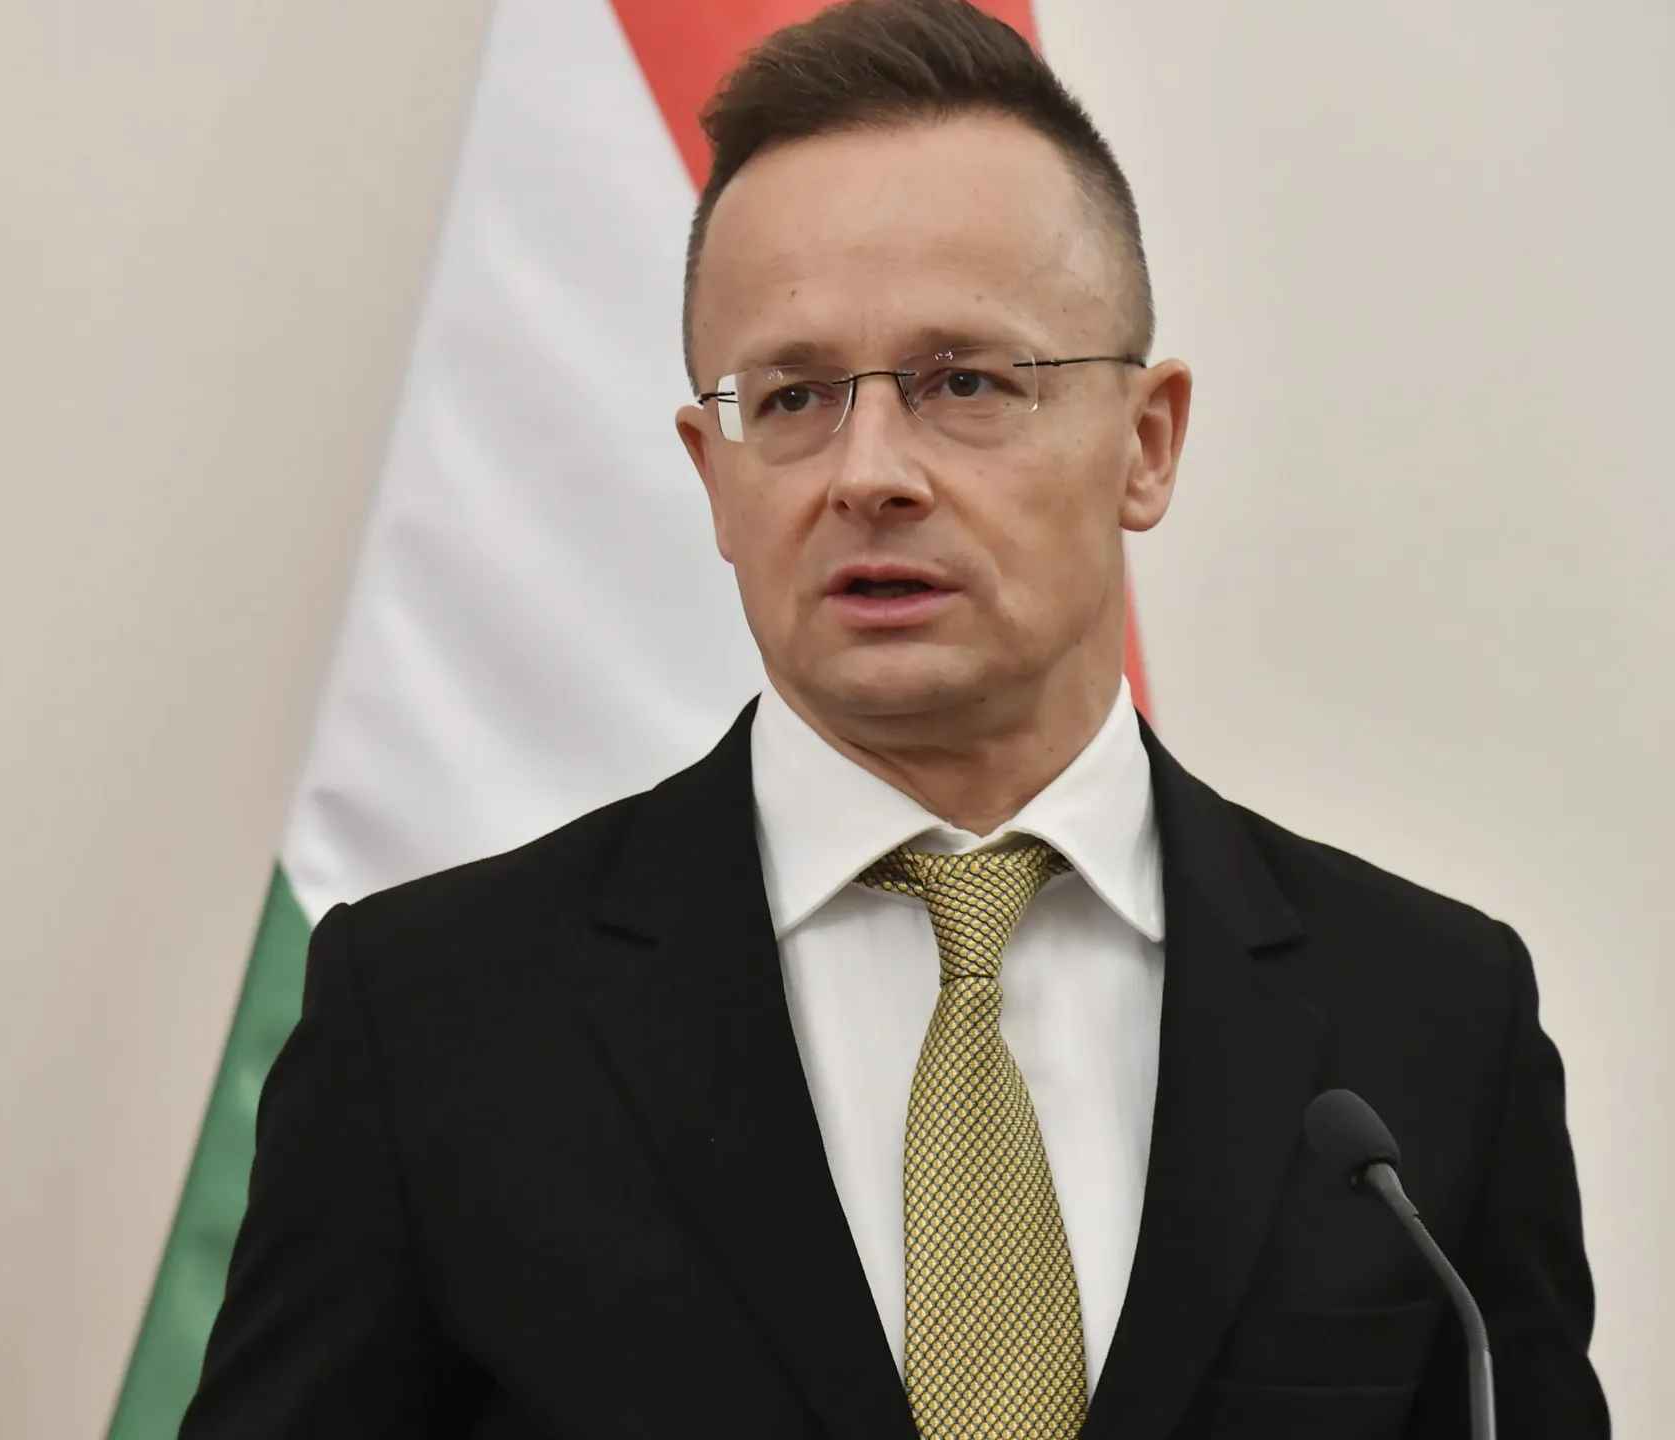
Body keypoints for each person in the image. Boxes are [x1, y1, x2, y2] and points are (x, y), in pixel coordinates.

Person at [177, 0, 1609, 1435]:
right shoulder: (430, 1028)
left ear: (1148, 442)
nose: (868, 473)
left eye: (963, 382)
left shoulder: (1434, 1019)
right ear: (712, 474)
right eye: (794, 396)